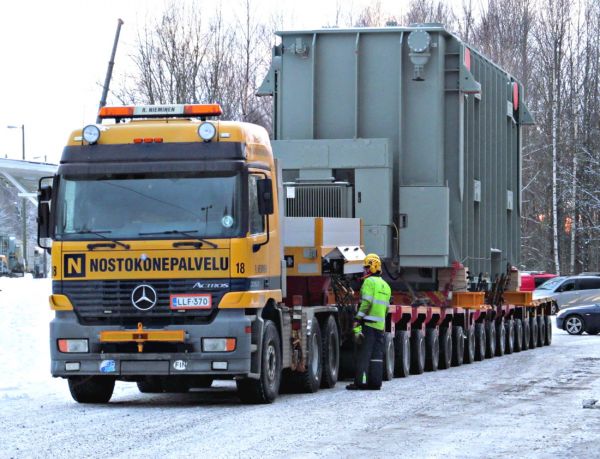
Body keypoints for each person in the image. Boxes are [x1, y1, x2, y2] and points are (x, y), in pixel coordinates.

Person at [346, 253, 391, 391]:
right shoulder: (386, 285)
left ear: (373, 267)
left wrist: (357, 318)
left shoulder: (369, 282)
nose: (364, 270)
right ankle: (375, 383)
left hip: (368, 325)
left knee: (363, 355)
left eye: (366, 268)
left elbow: (366, 302)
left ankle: (361, 382)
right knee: (377, 356)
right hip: (379, 326)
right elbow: (386, 309)